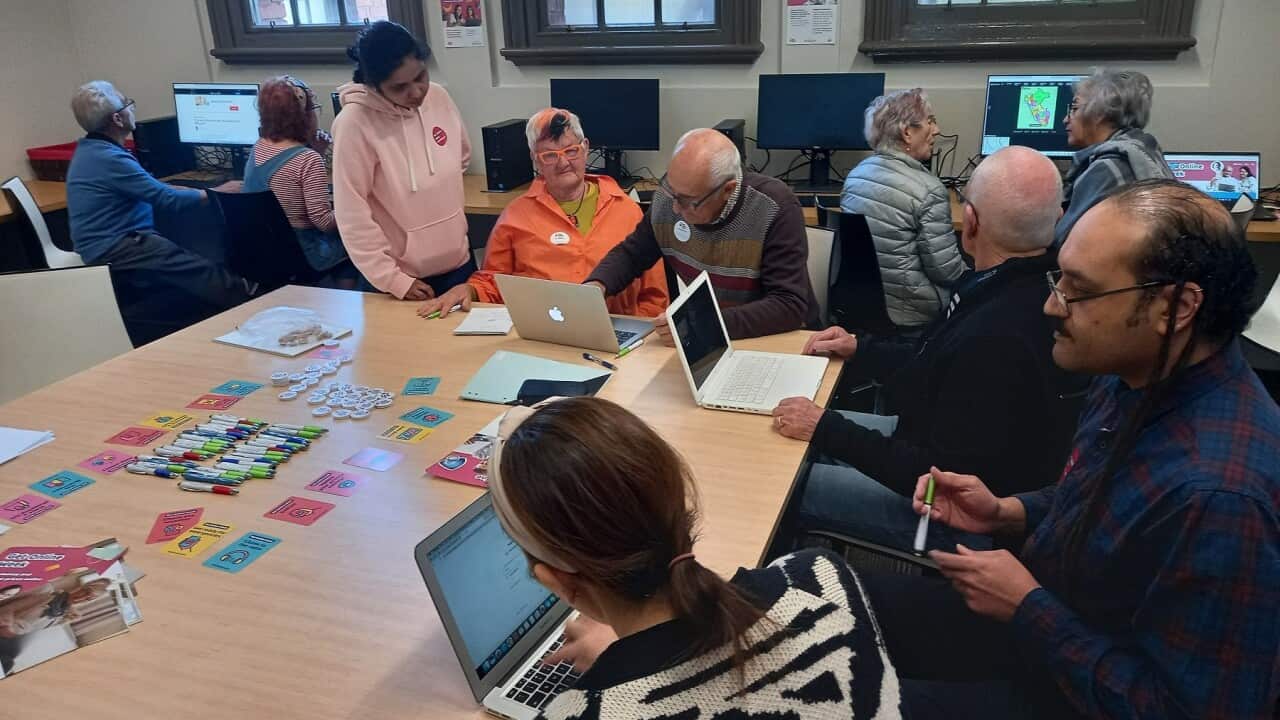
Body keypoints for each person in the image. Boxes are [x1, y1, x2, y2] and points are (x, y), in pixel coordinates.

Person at [867, 179, 1279, 719]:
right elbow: (1106, 500)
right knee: (824, 593)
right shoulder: (1130, 376)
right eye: (1057, 278)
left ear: (1175, 308)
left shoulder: (1221, 498)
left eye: (1078, 291)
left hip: (1067, 687)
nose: (1051, 305)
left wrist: (1027, 609)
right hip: (1048, 628)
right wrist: (1009, 511)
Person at [487, 397, 902, 718]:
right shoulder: (819, 576)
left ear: (555, 580)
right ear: (676, 500)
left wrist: (617, 674)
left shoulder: (579, 710)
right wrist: (629, 658)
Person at [775, 146, 1086, 553]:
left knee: (783, 482)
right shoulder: (1010, 288)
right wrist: (860, 348)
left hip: (946, 512)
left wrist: (824, 427)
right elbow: (933, 362)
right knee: (789, 441)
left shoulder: (997, 336)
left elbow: (938, 474)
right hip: (925, 444)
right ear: (1059, 219)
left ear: (970, 222)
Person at [416, 108, 667, 320]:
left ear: (586, 148)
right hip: (544, 335)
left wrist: (638, 337)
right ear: (535, 160)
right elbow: (494, 281)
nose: (563, 162)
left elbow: (655, 297)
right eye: (549, 155)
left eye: (571, 151)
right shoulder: (515, 216)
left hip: (617, 337)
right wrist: (468, 290)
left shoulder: (627, 210)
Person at [65, 80, 254, 345]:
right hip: (116, 245)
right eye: (128, 104)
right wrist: (216, 193)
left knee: (191, 249)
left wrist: (201, 189)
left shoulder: (94, 151)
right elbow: (167, 200)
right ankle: (252, 303)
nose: (132, 109)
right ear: (117, 119)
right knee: (196, 267)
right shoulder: (110, 159)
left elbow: (153, 188)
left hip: (107, 240)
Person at [586, 128, 819, 341]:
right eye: (670, 188)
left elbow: (788, 306)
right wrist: (597, 286)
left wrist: (704, 323)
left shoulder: (774, 207)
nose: (675, 208)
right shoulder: (670, 198)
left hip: (780, 339)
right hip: (714, 338)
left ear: (727, 190)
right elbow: (632, 255)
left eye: (688, 201)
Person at [333, 21, 472, 301]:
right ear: (373, 85)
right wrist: (392, 279)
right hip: (403, 281)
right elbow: (352, 214)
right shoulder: (354, 124)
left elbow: (462, 157)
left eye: (421, 76)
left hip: (459, 266)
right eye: (400, 87)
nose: (417, 92)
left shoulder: (439, 98)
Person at [841, 88, 966, 330]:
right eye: (930, 121)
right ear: (907, 133)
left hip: (863, 306)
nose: (937, 131)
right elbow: (947, 272)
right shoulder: (929, 190)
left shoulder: (855, 176)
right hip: (914, 313)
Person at [244, 75, 356, 288]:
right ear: (305, 115)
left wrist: (317, 152)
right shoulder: (307, 160)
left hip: (265, 249)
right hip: (304, 251)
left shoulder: (258, 147)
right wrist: (355, 212)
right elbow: (323, 222)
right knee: (352, 243)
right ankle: (346, 301)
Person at [1055, 69, 1173, 246]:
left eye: (1074, 108)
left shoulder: (1108, 168)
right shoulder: (1143, 149)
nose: (1065, 119)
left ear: (1099, 113)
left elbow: (1062, 240)